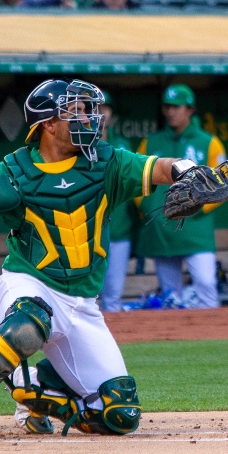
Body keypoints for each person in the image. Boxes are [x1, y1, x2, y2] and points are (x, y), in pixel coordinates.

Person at [0, 79, 227, 439]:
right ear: (48, 124)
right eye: (76, 111)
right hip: (30, 282)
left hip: (82, 304)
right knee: (29, 325)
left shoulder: (107, 160)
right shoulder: (14, 171)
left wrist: (185, 168)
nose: (89, 118)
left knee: (120, 414)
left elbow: (157, 168)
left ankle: (33, 386)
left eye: (89, 110)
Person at [135, 85, 228, 310]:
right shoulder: (151, 142)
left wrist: (197, 207)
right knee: (171, 298)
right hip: (163, 229)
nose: (170, 112)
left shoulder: (208, 142)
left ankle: (214, 338)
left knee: (207, 286)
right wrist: (150, 208)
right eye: (167, 107)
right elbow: (135, 179)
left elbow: (224, 183)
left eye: (176, 107)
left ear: (190, 110)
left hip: (196, 231)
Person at [98, 93, 137, 312]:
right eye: (96, 107)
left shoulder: (122, 144)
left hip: (119, 231)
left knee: (112, 299)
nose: (101, 113)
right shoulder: (76, 146)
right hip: (86, 233)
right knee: (85, 298)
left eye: (106, 108)